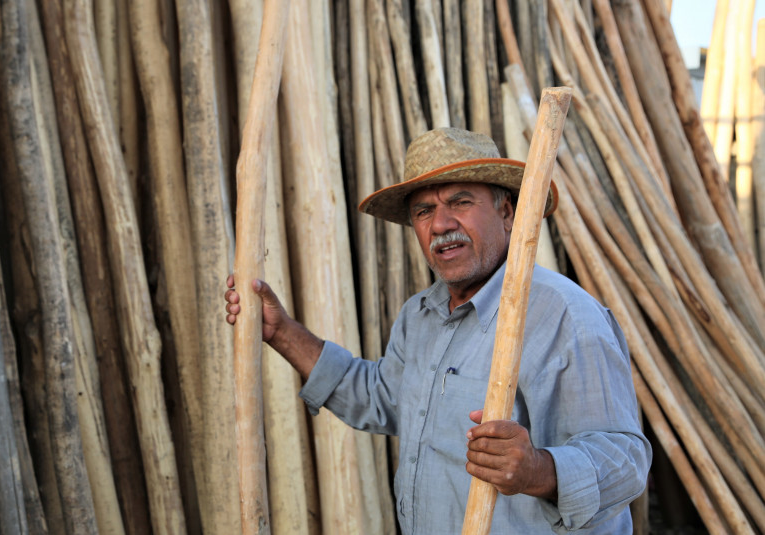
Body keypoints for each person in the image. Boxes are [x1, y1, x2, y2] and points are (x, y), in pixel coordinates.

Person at [224, 127, 651, 533]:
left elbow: (626, 461)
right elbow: (381, 398)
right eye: (424, 211)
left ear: (507, 213)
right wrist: (281, 332)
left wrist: (538, 469)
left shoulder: (563, 315)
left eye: (460, 202)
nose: (441, 224)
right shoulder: (421, 315)